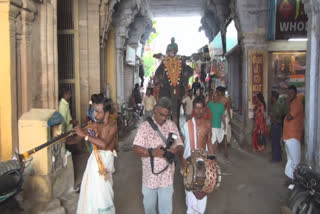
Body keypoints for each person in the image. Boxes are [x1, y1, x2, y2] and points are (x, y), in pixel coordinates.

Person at [133, 97, 184, 214]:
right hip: (149, 178)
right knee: (149, 208)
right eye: (161, 114)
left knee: (166, 210)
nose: (164, 118)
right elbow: (135, 148)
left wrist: (175, 150)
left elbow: (180, 145)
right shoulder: (145, 127)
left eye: (167, 115)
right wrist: (151, 152)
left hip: (167, 178)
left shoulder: (171, 125)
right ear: (155, 109)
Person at [68, 98, 118, 214]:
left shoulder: (112, 126)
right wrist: (66, 139)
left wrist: (84, 135)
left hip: (104, 166)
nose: (95, 114)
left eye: (98, 112)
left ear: (106, 113)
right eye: (94, 111)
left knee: (102, 194)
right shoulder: (94, 125)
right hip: (93, 163)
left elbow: (104, 144)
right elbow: (77, 138)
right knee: (90, 192)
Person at [181, 96, 214, 214]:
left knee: (202, 191)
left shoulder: (208, 124)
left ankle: (200, 212)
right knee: (189, 193)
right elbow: (180, 144)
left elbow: (209, 143)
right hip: (189, 162)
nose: (198, 111)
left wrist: (213, 160)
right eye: (196, 108)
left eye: (201, 109)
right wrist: (182, 160)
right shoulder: (187, 125)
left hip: (203, 163)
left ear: (204, 109)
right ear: (193, 109)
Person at [283, 85, 304, 181]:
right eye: (288, 93)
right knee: (291, 160)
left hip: (293, 137)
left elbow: (289, 117)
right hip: (288, 137)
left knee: (295, 162)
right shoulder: (291, 104)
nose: (289, 95)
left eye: (291, 93)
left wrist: (287, 104)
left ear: (295, 93)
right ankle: (292, 181)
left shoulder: (297, 104)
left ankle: (295, 182)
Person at [207, 91, 226, 155]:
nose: (213, 98)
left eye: (215, 96)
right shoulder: (210, 104)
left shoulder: (221, 106)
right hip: (211, 125)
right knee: (212, 140)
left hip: (218, 125)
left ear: (218, 97)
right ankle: (211, 155)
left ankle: (213, 153)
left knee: (217, 140)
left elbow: (222, 116)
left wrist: (224, 124)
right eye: (213, 96)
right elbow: (206, 113)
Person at [270, 91, 285, 162]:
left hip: (276, 124)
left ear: (274, 97)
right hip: (276, 125)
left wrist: (273, 116)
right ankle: (277, 157)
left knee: (275, 142)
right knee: (276, 142)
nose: (271, 98)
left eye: (272, 97)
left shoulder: (277, 104)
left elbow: (278, 114)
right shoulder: (275, 104)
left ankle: (276, 158)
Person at [217, 87, 232, 155]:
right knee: (218, 133)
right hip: (218, 118)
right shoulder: (216, 99)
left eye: (218, 91)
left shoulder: (226, 99)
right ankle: (219, 147)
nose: (217, 93)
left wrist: (230, 119)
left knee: (225, 134)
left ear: (222, 92)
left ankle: (225, 150)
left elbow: (228, 109)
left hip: (225, 117)